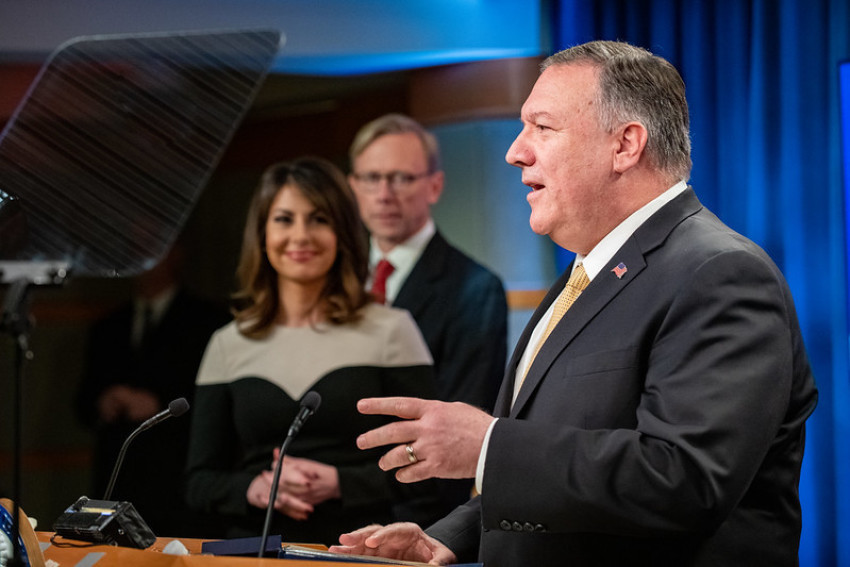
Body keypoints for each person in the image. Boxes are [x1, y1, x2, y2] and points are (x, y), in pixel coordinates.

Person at [329, 40, 819, 566]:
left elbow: (682, 479)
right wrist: (450, 535)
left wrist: (489, 446)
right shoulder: (588, 271)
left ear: (626, 145)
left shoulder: (720, 273)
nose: (516, 151)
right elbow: (568, 456)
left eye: (542, 127)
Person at [184, 157, 438, 546]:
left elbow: (430, 468)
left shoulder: (393, 330)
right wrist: (253, 488)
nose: (300, 235)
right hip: (252, 551)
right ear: (262, 233)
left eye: (319, 219)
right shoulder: (227, 342)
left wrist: (340, 483)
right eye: (284, 219)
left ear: (342, 232)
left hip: (360, 550)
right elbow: (199, 482)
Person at [348, 114, 508, 522]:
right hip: (326, 509)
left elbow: (460, 422)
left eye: (401, 178)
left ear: (434, 186)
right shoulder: (333, 280)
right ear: (353, 187)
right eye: (371, 178)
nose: (384, 194)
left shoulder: (476, 288)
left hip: (417, 514)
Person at [75, 239, 230, 536]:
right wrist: (103, 401)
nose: (141, 256)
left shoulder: (208, 322)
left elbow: (216, 408)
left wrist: (157, 404)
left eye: (151, 246)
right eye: (132, 248)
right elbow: (81, 404)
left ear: (176, 254)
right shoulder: (107, 326)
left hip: (176, 485)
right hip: (116, 485)